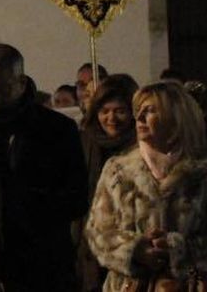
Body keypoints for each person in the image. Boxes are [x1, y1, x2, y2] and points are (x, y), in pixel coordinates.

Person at [84, 81, 207, 291]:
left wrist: (177, 250)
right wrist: (135, 250)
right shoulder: (118, 169)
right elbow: (98, 232)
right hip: (130, 286)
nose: (140, 118)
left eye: (150, 111)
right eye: (138, 111)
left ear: (175, 117)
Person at [0, 42, 87, 292]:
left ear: (21, 83)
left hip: (42, 264)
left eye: (1, 89)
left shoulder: (57, 130)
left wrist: (27, 203)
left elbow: (77, 196)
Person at [77, 73, 139, 292]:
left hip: (129, 248)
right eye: (105, 111)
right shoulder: (85, 142)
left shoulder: (141, 148)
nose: (111, 118)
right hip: (89, 245)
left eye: (120, 111)